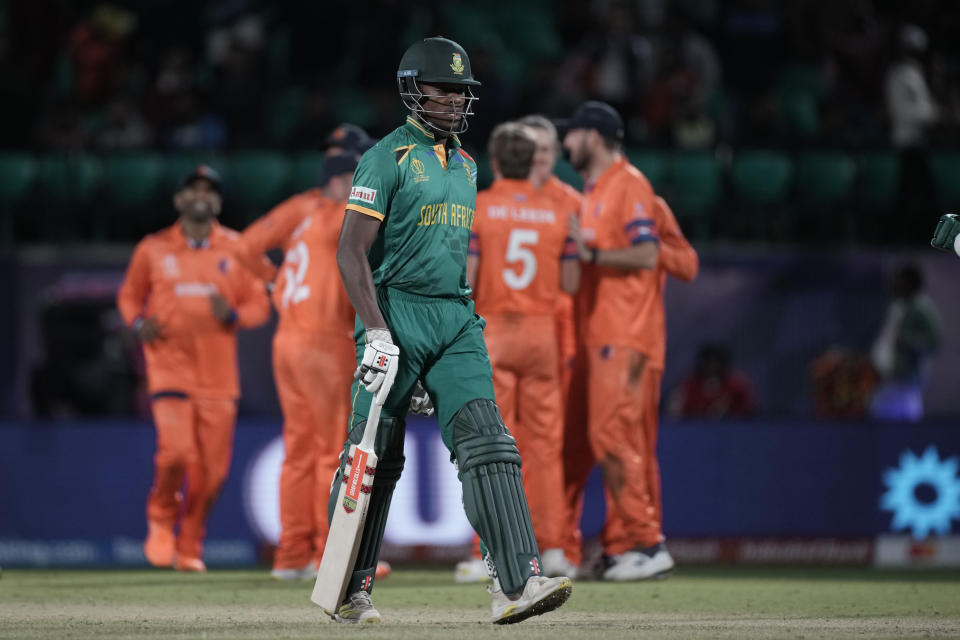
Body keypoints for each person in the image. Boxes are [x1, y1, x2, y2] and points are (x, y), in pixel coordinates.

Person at [326, 36, 572, 624]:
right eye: (445, 91)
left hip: (456, 316)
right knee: (376, 457)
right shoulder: (385, 157)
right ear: (414, 92)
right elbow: (349, 253)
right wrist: (377, 333)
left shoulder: (465, 165)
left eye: (464, 92)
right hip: (395, 312)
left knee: (488, 441)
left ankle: (515, 585)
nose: (457, 101)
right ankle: (345, 587)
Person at [234, 144, 392, 581]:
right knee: (332, 449)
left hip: (287, 338)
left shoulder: (302, 209)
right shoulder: (343, 213)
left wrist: (276, 283)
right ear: (344, 182)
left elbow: (246, 246)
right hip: (324, 342)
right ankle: (333, 553)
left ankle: (290, 555)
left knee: (299, 450)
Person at [562, 101, 697, 581]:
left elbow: (648, 255)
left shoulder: (630, 187)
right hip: (607, 336)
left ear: (593, 137)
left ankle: (646, 541)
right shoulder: (596, 190)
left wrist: (593, 251)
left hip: (626, 335)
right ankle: (624, 546)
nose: (565, 144)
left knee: (615, 436)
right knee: (619, 439)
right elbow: (673, 258)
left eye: (571, 135)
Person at [117, 166, 270, 572]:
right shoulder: (153, 248)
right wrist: (137, 324)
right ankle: (161, 516)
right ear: (178, 200)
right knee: (175, 454)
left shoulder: (238, 247)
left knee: (213, 474)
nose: (201, 195)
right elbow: (130, 297)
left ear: (218, 201)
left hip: (218, 378)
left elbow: (261, 305)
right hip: (168, 368)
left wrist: (234, 314)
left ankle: (190, 542)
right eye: (193, 189)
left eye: (209, 190)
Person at [464, 122, 579, 579]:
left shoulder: (481, 208)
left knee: (489, 447)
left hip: (493, 332)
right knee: (546, 448)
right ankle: (551, 549)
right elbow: (570, 283)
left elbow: (468, 279)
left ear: (494, 162)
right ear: (532, 161)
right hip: (541, 337)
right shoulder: (556, 213)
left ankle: (490, 554)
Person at [869, 263, 941, 422]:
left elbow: (934, 342)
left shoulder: (922, 308)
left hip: (907, 379)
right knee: (878, 411)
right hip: (890, 377)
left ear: (910, 282)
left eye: (900, 280)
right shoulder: (898, 306)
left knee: (907, 424)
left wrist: (908, 341)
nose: (895, 283)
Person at [668, 342, 755, 419]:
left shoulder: (737, 386)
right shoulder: (689, 385)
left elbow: (749, 412)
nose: (712, 368)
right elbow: (674, 413)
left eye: (716, 364)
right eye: (708, 363)